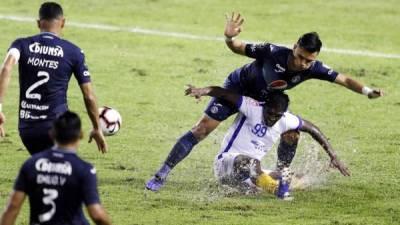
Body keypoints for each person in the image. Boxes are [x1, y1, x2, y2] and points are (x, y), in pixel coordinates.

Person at [145, 12, 382, 191]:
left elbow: (344, 79)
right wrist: (229, 37)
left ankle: (282, 176)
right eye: (300, 57)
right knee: (201, 129)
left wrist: (367, 91)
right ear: (294, 47)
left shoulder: (313, 68)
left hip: (265, 103)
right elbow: (238, 48)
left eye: (308, 61)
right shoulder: (271, 51)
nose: (302, 64)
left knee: (292, 133)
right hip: (238, 88)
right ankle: (162, 173)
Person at [185, 85, 350, 200]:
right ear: (265, 106)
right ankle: (276, 190)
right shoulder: (252, 107)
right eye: (269, 112)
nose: (272, 118)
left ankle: (270, 180)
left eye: (277, 115)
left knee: (293, 148)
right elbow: (222, 92)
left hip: (254, 174)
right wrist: (202, 91)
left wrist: (333, 156)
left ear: (283, 114)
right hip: (226, 165)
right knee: (251, 162)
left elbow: (313, 128)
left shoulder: (286, 119)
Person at [0, 2, 106, 154]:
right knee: (62, 169)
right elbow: (88, 96)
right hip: (58, 129)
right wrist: (96, 128)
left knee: (43, 167)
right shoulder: (73, 52)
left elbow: (6, 67)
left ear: (38, 23)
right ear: (63, 22)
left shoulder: (21, 45)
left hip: (27, 129)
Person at [0, 111, 112, 225]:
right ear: (80, 135)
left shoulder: (31, 165)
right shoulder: (84, 170)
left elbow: (12, 208)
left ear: (52, 134)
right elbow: (97, 215)